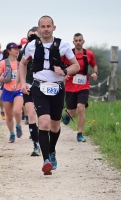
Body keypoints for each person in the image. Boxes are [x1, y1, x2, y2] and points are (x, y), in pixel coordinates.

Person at [19, 15, 80, 175]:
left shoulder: (63, 45)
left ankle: (51, 151)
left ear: (54, 28)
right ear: (38, 29)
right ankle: (46, 160)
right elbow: (22, 64)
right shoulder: (31, 46)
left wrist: (65, 71)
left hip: (57, 88)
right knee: (44, 123)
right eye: (43, 26)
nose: (46, 29)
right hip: (39, 88)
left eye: (48, 26)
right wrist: (23, 82)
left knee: (55, 125)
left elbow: (77, 66)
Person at [63, 33, 98, 142]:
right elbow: (61, 65)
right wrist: (65, 74)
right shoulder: (68, 54)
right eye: (76, 40)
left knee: (81, 108)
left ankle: (79, 133)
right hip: (70, 86)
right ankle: (68, 115)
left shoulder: (89, 54)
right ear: (73, 42)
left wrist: (95, 73)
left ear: (83, 42)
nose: (78, 42)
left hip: (84, 85)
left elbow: (94, 65)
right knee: (72, 112)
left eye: (80, 40)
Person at [17, 27, 41, 156]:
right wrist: (20, 83)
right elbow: (21, 67)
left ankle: (44, 142)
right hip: (28, 85)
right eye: (30, 36)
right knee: (31, 115)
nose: (33, 39)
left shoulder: (45, 49)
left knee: (43, 118)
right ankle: (36, 145)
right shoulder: (24, 51)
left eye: (35, 36)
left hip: (43, 85)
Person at [0, 43, 23, 143]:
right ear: (9, 51)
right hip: (7, 90)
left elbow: (23, 77)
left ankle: (18, 126)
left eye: (18, 49)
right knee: (9, 115)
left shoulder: (21, 63)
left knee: (16, 111)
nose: (17, 51)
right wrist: (1, 78)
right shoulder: (3, 63)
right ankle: (11, 133)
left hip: (18, 90)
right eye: (14, 49)